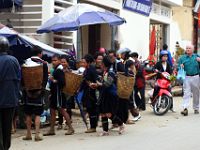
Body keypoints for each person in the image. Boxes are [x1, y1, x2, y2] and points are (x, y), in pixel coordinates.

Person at [44, 54, 74, 136]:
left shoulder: (59, 70)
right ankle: (52, 130)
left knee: (62, 111)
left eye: (55, 60)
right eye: (52, 60)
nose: (53, 62)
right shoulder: (56, 69)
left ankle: (71, 128)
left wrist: (53, 80)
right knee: (52, 111)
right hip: (54, 94)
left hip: (59, 94)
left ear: (59, 61)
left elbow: (62, 82)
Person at [22, 46, 48, 141]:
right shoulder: (43, 64)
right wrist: (41, 90)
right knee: (37, 114)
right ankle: (37, 134)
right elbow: (45, 79)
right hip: (39, 92)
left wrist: (26, 90)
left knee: (28, 114)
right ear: (40, 53)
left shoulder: (25, 63)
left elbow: (23, 79)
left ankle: (28, 134)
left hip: (28, 92)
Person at [0, 36, 20, 150]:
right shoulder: (14, 60)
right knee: (7, 127)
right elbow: (18, 79)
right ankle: (6, 147)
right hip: (11, 99)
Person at [97, 56, 124, 136]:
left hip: (111, 95)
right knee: (103, 113)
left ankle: (121, 124)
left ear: (104, 64)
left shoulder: (111, 72)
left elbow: (108, 84)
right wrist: (97, 85)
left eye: (101, 63)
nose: (100, 64)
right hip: (104, 95)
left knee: (109, 114)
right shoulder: (104, 72)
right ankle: (105, 131)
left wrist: (99, 84)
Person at [179, 44, 200, 116]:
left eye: (189, 48)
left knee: (196, 93)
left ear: (193, 50)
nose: (187, 49)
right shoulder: (182, 58)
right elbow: (179, 68)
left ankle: (196, 108)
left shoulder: (197, 57)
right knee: (186, 92)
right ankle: (185, 108)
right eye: (187, 48)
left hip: (196, 76)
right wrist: (181, 66)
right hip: (187, 77)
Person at [80, 54, 99, 133]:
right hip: (86, 92)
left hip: (91, 93)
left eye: (84, 62)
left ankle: (93, 127)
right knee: (89, 109)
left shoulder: (92, 70)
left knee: (92, 110)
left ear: (88, 62)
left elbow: (96, 81)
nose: (82, 64)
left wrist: (92, 84)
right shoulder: (86, 70)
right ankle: (93, 125)